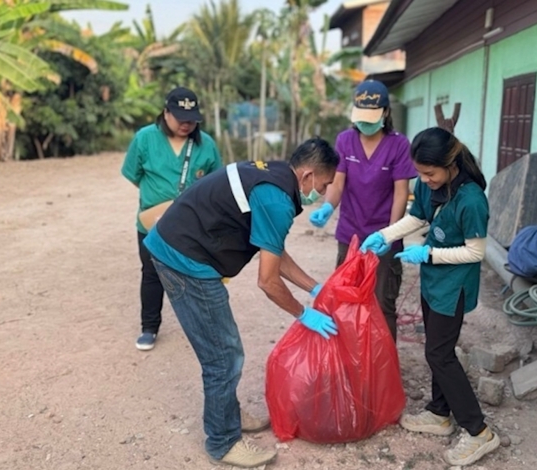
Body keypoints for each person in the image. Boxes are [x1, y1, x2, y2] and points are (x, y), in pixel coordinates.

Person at [143, 137, 340, 468]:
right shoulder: (277, 199)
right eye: (324, 183)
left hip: (179, 244)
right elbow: (267, 280)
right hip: (185, 261)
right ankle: (223, 441)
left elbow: (272, 248)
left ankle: (227, 413)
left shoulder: (275, 174)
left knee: (223, 349)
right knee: (223, 355)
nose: (323, 191)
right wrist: (303, 313)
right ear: (307, 176)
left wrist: (314, 287)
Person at [361, 127, 500, 466]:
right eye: (420, 173)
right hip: (433, 281)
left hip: (453, 285)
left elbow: (475, 252)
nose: (424, 179)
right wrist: (384, 235)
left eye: (429, 173)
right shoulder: (429, 184)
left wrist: (430, 255)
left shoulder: (471, 199)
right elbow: (417, 217)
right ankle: (439, 413)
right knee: (438, 348)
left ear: (450, 164)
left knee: (439, 354)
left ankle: (479, 431)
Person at [309, 79, 416, 341]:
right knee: (345, 299)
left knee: (382, 304)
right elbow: (338, 182)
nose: (365, 125)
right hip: (351, 235)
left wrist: (390, 236)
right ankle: (348, 359)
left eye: (372, 118)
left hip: (384, 236)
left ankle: (382, 368)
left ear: (386, 113)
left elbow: (401, 192)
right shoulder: (345, 140)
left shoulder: (399, 145)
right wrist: (327, 207)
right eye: (361, 118)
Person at [121, 87, 223, 351]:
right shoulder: (144, 139)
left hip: (191, 224)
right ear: (165, 113)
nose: (186, 123)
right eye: (179, 117)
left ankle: (200, 327)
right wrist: (157, 202)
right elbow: (132, 174)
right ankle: (149, 327)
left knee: (192, 273)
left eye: (191, 118)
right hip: (151, 221)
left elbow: (215, 184)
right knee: (152, 273)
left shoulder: (207, 145)